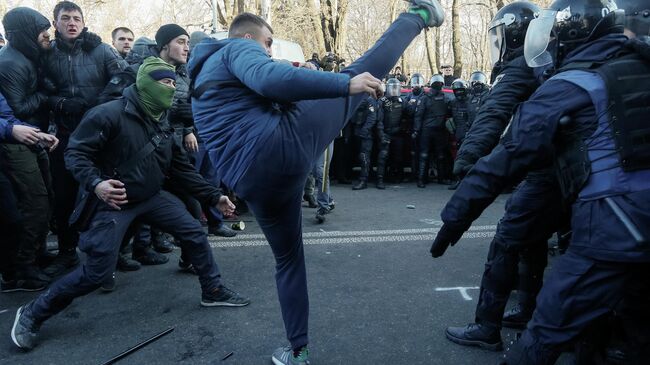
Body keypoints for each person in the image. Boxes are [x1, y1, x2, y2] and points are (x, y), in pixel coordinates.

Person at [188, 2, 444, 363]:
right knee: (360, 72)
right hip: (278, 148)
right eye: (268, 42)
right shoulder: (237, 47)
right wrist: (344, 83)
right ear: (248, 36)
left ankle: (297, 352)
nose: (269, 50)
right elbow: (270, 79)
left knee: (288, 261)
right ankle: (420, 15)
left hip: (253, 185)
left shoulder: (198, 80)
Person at [431, 1, 650, 363]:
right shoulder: (634, 67)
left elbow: (509, 144)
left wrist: (458, 206)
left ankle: (490, 326)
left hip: (609, 217)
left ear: (571, 32)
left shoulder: (572, 79)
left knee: (546, 325)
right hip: (606, 206)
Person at [10, 57, 250, 351]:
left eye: (174, 83)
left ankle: (212, 290)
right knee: (97, 273)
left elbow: (179, 169)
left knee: (194, 232)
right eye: (165, 82)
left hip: (150, 196)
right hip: (114, 201)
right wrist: (97, 184)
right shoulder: (107, 114)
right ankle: (33, 312)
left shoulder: (161, 119)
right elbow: (76, 155)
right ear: (146, 84)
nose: (171, 89)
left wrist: (214, 196)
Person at [438, 1, 565, 351]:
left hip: (545, 171)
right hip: (580, 171)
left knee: (507, 239)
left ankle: (487, 326)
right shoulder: (563, 59)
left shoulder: (524, 63)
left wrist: (466, 162)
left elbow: (494, 112)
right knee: (544, 241)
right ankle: (531, 309)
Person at [43, 1, 124, 278]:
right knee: (64, 196)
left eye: (76, 18)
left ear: (83, 22)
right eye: (65, 18)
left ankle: (109, 253)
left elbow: (123, 77)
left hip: (99, 135)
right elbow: (41, 90)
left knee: (102, 194)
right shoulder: (46, 54)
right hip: (63, 134)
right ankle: (67, 252)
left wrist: (97, 108)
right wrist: (62, 102)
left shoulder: (100, 49)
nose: (72, 23)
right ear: (55, 23)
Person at [0, 7, 60, 290]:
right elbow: (17, 109)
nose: (47, 35)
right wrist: (46, 94)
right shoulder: (11, 63)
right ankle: (23, 268)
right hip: (16, 144)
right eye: (41, 31)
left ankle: (36, 253)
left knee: (45, 197)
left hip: (32, 138)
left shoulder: (27, 56)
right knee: (34, 203)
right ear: (25, 33)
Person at [414, 74, 451, 187]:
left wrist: (416, 130)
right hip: (430, 130)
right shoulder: (427, 98)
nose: (438, 85)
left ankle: (434, 178)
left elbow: (418, 116)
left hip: (436, 130)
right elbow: (418, 116)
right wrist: (417, 130)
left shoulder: (444, 97)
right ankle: (422, 179)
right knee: (426, 155)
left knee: (438, 155)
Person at [376, 78, 404, 189]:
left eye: (396, 88)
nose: (394, 91)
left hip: (397, 133)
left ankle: (394, 176)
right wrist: (381, 134)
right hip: (385, 132)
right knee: (383, 156)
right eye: (392, 88)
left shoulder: (402, 101)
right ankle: (380, 180)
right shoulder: (382, 102)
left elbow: (410, 113)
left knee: (397, 157)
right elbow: (379, 120)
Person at [352, 96, 380, 190]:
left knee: (364, 157)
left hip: (366, 134)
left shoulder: (369, 100)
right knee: (362, 157)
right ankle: (368, 176)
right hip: (358, 132)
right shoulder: (358, 98)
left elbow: (372, 118)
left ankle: (363, 180)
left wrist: (364, 131)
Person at [403, 73, 426, 181]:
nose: (416, 85)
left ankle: (422, 176)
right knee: (413, 152)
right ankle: (413, 174)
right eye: (414, 83)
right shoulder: (409, 95)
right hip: (411, 127)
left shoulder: (425, 96)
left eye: (418, 83)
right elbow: (405, 109)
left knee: (423, 153)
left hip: (423, 128)